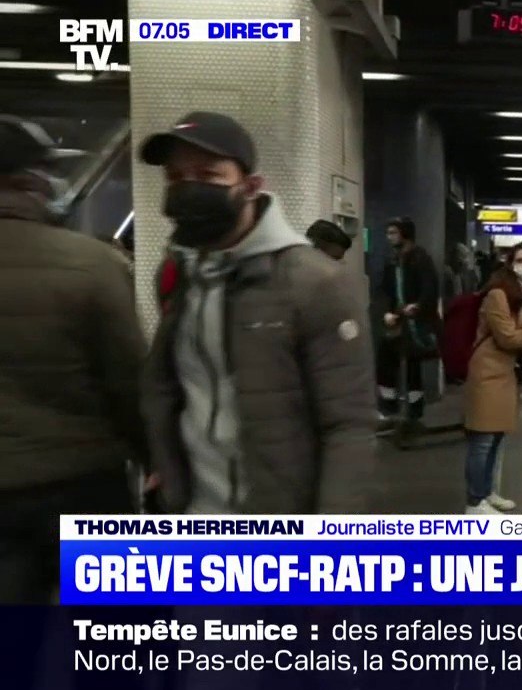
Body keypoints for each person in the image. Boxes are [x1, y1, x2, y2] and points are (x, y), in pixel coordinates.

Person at [139, 110, 376, 515]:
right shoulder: (179, 273)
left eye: (208, 175)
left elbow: (349, 426)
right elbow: (170, 387)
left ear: (251, 187)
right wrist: (163, 464)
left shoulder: (314, 283)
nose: (188, 188)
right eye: (176, 177)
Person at [0, 115, 148, 604]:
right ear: (29, 180)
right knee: (111, 646)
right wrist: (156, 460)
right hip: (86, 483)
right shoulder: (93, 265)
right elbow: (129, 382)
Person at [462, 242, 522, 514]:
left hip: (504, 372)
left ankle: (487, 492)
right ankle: (474, 502)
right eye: (520, 260)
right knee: (483, 440)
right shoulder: (498, 294)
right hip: (487, 371)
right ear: (510, 265)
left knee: (496, 437)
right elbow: (507, 337)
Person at [377, 217, 441, 424]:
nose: (390, 237)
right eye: (388, 233)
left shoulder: (420, 258)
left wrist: (418, 306)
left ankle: (414, 410)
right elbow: (385, 290)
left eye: (394, 232)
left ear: (405, 233)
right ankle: (389, 405)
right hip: (397, 319)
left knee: (413, 365)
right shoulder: (391, 259)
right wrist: (387, 311)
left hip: (416, 322)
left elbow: (430, 287)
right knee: (386, 359)